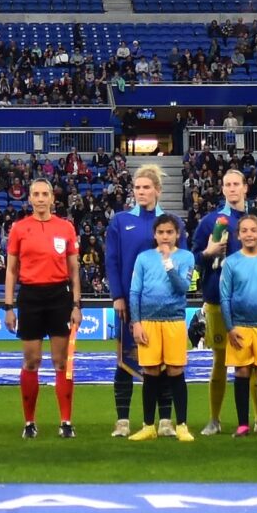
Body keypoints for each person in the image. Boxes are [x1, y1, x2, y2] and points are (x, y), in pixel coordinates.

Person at [194, 169, 257, 436]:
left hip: (254, 304)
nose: (231, 189)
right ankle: (215, 419)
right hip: (218, 300)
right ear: (223, 189)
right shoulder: (210, 222)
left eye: (236, 184)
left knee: (255, 364)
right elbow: (194, 259)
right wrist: (208, 252)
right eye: (227, 184)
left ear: (245, 188)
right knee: (220, 360)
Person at [2, 179, 82, 440]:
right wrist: (8, 306)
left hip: (59, 296)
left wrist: (76, 305)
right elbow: (11, 270)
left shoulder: (65, 228)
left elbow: (73, 270)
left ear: (52, 198)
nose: (40, 198)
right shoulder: (19, 229)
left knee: (61, 362)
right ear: (29, 199)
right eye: (35, 194)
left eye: (44, 194)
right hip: (30, 297)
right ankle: (29, 422)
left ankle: (66, 421)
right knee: (31, 361)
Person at [102, 163, 165, 438]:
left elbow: (183, 258)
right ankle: (123, 420)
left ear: (157, 191)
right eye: (137, 187)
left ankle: (164, 421)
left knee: (164, 364)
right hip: (129, 305)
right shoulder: (120, 221)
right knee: (124, 361)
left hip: (162, 306)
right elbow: (112, 260)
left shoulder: (170, 223)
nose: (141, 192)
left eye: (146, 187)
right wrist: (117, 295)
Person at [125, 213, 195, 440]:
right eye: (161, 232)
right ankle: (148, 426)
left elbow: (182, 287)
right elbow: (135, 291)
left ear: (178, 234)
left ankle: (182, 424)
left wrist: (168, 263)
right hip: (148, 322)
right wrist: (136, 323)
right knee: (151, 372)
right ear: (154, 235)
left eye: (170, 232)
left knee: (176, 371)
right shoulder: (144, 258)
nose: (165, 237)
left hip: (174, 321)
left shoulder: (186, 257)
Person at [216, 208, 257, 437]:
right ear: (238, 235)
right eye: (244, 230)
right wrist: (230, 327)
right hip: (240, 327)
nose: (249, 234)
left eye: (253, 230)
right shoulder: (231, 262)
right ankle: (242, 424)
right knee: (242, 372)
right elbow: (225, 296)